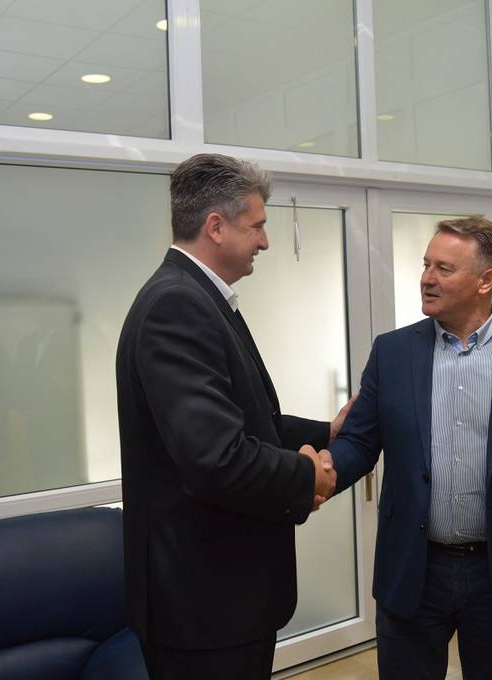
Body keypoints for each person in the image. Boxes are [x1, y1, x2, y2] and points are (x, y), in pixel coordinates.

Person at [315, 216, 492, 679]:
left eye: (443, 268)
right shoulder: (392, 352)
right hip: (412, 569)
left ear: (486, 280)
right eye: (426, 265)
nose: (427, 278)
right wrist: (318, 475)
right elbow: (360, 442)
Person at [116, 153, 349, 680]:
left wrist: (326, 433)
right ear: (216, 227)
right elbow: (217, 458)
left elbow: (246, 420)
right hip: (204, 608)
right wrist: (305, 474)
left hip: (221, 604)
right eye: (257, 226)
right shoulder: (177, 306)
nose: (265, 242)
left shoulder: (198, 297)